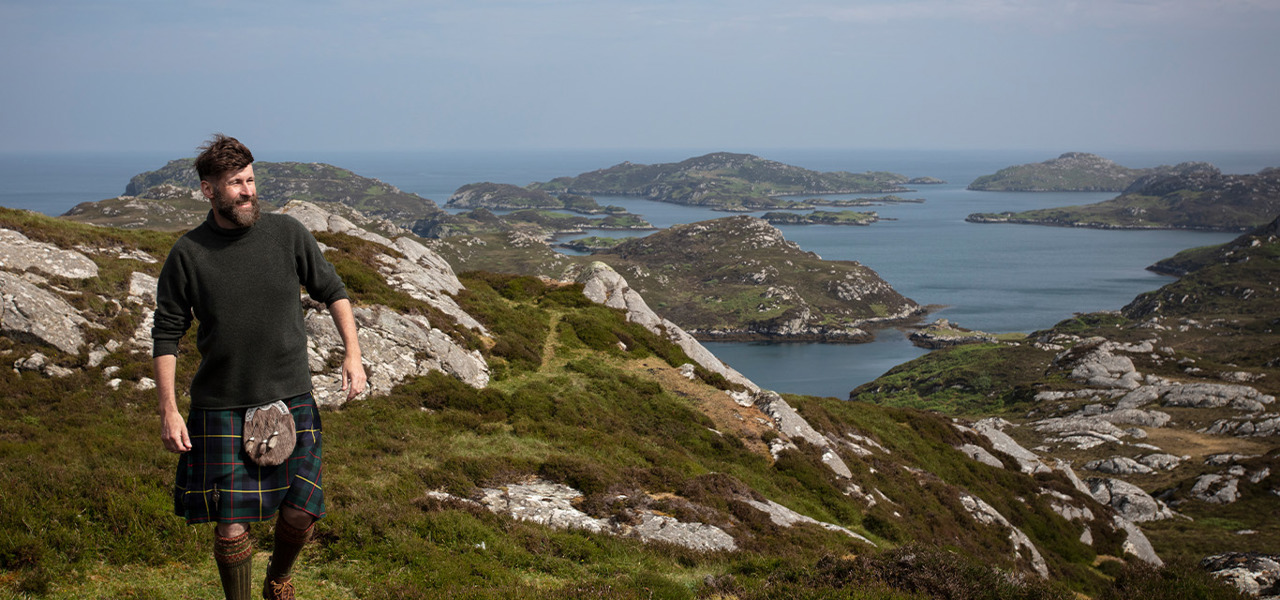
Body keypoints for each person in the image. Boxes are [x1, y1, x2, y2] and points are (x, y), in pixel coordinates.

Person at [153, 134, 366, 600]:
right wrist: (168, 410)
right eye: (235, 183)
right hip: (222, 404)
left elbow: (334, 291)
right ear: (209, 190)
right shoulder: (188, 254)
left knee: (301, 511)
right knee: (231, 527)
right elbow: (166, 334)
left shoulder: (287, 233)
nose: (248, 191)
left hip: (292, 396)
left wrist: (353, 353)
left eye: (251, 180)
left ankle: (278, 581)